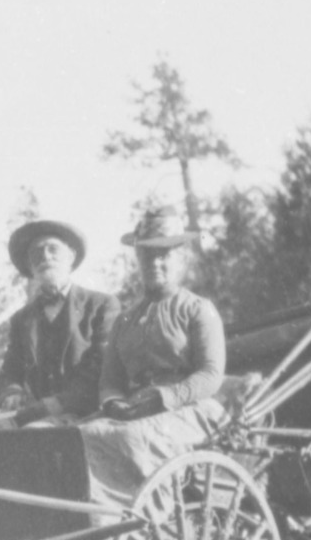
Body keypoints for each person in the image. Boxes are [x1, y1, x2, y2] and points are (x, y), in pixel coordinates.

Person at [85, 205, 230, 501]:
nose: (155, 263)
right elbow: (110, 379)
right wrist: (114, 403)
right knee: (81, 434)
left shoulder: (198, 310)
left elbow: (211, 373)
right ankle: (92, 519)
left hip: (190, 409)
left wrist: (165, 397)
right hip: (135, 409)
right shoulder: (124, 321)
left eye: (164, 255)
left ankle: (139, 516)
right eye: (146, 256)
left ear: (182, 257)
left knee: (127, 438)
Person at [0, 219, 118, 426]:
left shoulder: (101, 306)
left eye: (53, 249)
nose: (45, 256)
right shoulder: (21, 320)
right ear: (30, 267)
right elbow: (9, 372)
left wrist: (58, 404)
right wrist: (10, 393)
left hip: (92, 415)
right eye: (36, 253)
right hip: (40, 417)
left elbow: (103, 369)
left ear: (71, 257)